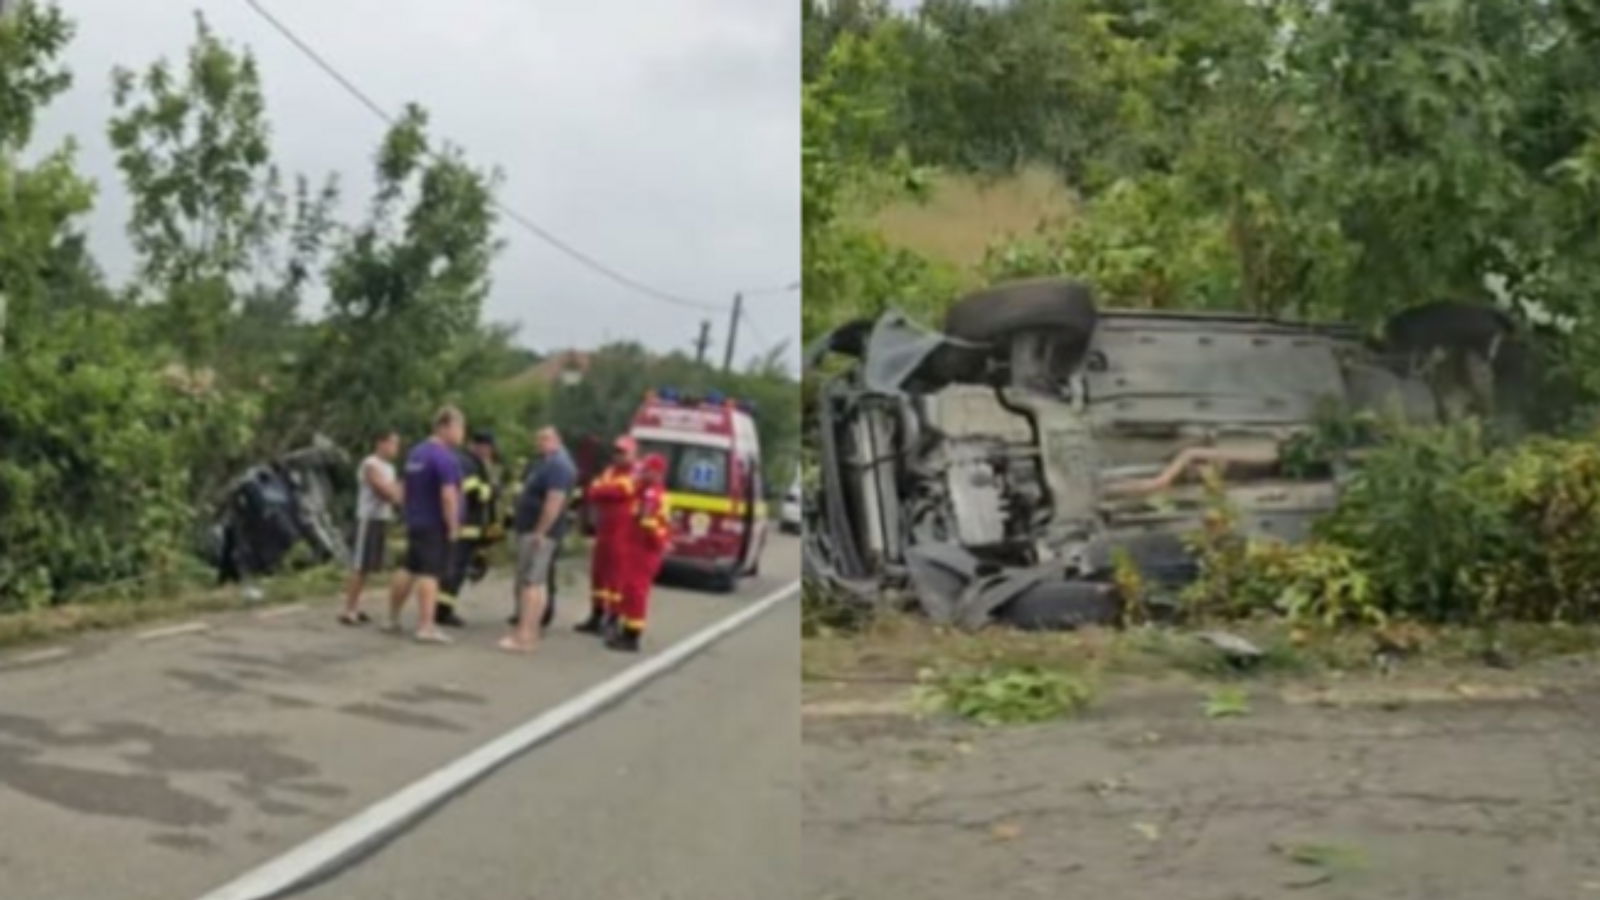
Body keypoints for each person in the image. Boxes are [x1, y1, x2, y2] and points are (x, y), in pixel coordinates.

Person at [388, 406, 465, 644]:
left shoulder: (416, 453)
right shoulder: (444, 458)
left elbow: (402, 487)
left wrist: (404, 509)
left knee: (408, 568)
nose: (462, 433)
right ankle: (426, 625)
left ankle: (392, 618)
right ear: (445, 427)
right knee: (430, 573)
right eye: (459, 427)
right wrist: (452, 525)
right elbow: (448, 495)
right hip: (434, 523)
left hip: (415, 519)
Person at [500, 426, 577, 653]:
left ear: (557, 440)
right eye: (538, 439)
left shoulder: (558, 466)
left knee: (531, 583)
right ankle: (529, 631)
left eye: (545, 439)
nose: (540, 443)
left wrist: (540, 531)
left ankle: (524, 635)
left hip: (540, 533)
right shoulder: (546, 463)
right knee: (536, 582)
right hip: (534, 530)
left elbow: (554, 500)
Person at [608, 453, 672, 653]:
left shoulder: (652, 495)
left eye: (647, 471)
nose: (643, 473)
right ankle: (626, 629)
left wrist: (654, 538)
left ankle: (632, 636)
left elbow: (649, 522)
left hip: (644, 549)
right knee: (629, 591)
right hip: (637, 547)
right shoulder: (645, 491)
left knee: (636, 592)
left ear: (656, 472)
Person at [436, 430, 500, 627]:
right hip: (465, 524)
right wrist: (492, 490)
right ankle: (443, 610)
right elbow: (473, 492)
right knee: (456, 568)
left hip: (466, 524)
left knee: (456, 567)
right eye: (487, 448)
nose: (489, 453)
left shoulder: (466, 460)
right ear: (479, 446)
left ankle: (441, 607)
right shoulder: (468, 462)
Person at [339, 429, 403, 625]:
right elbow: (385, 491)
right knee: (359, 565)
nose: (395, 448)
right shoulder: (370, 464)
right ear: (381, 443)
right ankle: (349, 609)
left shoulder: (390, 468)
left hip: (381, 518)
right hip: (367, 519)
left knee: (368, 566)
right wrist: (395, 492)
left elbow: (396, 492)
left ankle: (356, 606)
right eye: (392, 443)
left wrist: (396, 492)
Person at [577, 435, 639, 637]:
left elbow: (618, 491)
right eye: (616, 451)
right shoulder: (611, 471)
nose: (618, 456)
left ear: (632, 454)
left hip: (623, 533)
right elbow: (594, 491)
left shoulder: (634, 474)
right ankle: (597, 614)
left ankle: (613, 617)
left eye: (623, 452)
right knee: (599, 575)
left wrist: (601, 489)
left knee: (616, 578)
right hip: (605, 530)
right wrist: (601, 489)